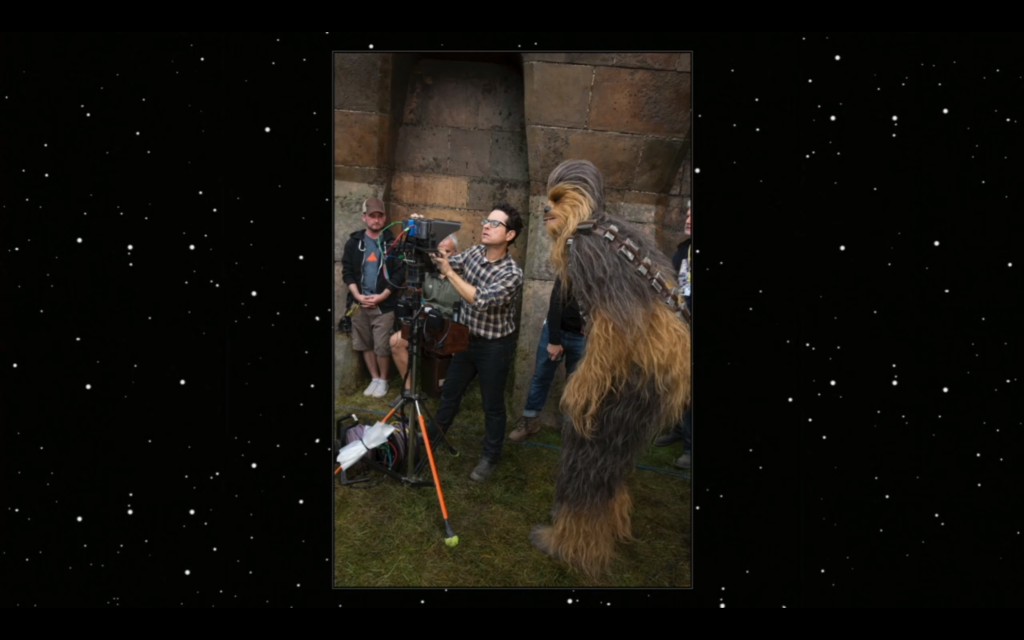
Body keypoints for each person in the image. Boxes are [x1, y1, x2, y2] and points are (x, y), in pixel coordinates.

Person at [527, 160, 690, 578]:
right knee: (612, 456)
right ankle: (610, 523)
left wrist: (586, 384)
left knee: (587, 452)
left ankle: (576, 544)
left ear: (582, 201)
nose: (548, 210)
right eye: (548, 200)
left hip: (641, 366)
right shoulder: (612, 231)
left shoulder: (584, 242)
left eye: (559, 199)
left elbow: (619, 323)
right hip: (661, 367)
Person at [425, 204, 525, 482]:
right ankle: (432, 440)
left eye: (495, 224)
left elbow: (479, 300)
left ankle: (490, 456)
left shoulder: (512, 273)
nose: (486, 225)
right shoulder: (473, 253)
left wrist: (450, 272)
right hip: (467, 341)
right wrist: (425, 236)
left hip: (495, 347)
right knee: (450, 393)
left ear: (510, 235)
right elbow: (442, 263)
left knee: (492, 405)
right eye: (486, 221)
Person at [340, 197, 406, 398]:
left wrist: (383, 295)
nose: (376, 220)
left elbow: (399, 274)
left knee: (382, 345)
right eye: (372, 216)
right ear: (364, 217)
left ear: (384, 218)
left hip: (383, 304)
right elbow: (347, 271)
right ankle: (374, 378)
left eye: (379, 216)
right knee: (364, 343)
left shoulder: (392, 243)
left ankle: (384, 380)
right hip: (359, 303)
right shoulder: (354, 242)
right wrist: (357, 294)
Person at [507, 275, 586, 441]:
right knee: (541, 376)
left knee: (576, 382)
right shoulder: (570, 268)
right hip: (555, 330)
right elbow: (556, 304)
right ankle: (530, 421)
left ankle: (570, 428)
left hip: (583, 336)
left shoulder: (606, 269)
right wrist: (554, 340)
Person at [388, 233, 461, 407]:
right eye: (437, 252)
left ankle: (448, 395)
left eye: (447, 252)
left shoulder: (462, 276)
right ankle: (410, 390)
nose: (441, 256)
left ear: (457, 253)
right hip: (428, 322)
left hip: (453, 325)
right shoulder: (428, 272)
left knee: (458, 353)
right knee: (396, 341)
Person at [655, 202, 692, 469]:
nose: (687, 218)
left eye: (693, 215)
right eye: (687, 213)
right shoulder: (683, 251)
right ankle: (679, 428)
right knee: (678, 381)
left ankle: (690, 447)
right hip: (680, 327)